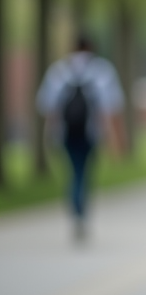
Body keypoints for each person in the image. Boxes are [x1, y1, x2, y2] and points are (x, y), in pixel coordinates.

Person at [36, 34, 126, 243]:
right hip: (90, 132)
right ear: (91, 47)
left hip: (66, 133)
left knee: (74, 171)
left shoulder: (59, 71)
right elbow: (110, 107)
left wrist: (48, 136)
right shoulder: (102, 70)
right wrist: (116, 140)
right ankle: (80, 211)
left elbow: (48, 106)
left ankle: (76, 210)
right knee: (84, 172)